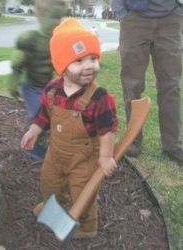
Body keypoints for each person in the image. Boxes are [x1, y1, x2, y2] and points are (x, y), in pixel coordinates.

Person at [20, 18, 118, 239]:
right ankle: (53, 207)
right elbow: (44, 115)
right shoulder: (53, 90)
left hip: (84, 159)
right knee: (50, 181)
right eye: (79, 60)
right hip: (56, 153)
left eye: (93, 58)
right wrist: (34, 130)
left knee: (83, 192)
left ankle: (87, 226)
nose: (89, 66)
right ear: (62, 66)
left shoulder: (99, 97)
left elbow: (107, 130)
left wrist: (105, 157)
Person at [109, 0, 183, 166]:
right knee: (132, 84)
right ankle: (133, 141)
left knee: (171, 84)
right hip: (135, 18)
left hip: (170, 19)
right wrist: (121, 12)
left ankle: (173, 144)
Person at [8, 0, 70, 160]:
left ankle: (43, 141)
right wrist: (13, 84)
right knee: (39, 115)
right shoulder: (29, 39)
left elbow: (61, 64)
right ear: (41, 15)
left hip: (48, 86)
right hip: (31, 87)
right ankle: (32, 148)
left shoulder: (56, 39)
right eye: (55, 17)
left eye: (61, 18)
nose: (58, 22)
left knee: (54, 114)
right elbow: (17, 65)